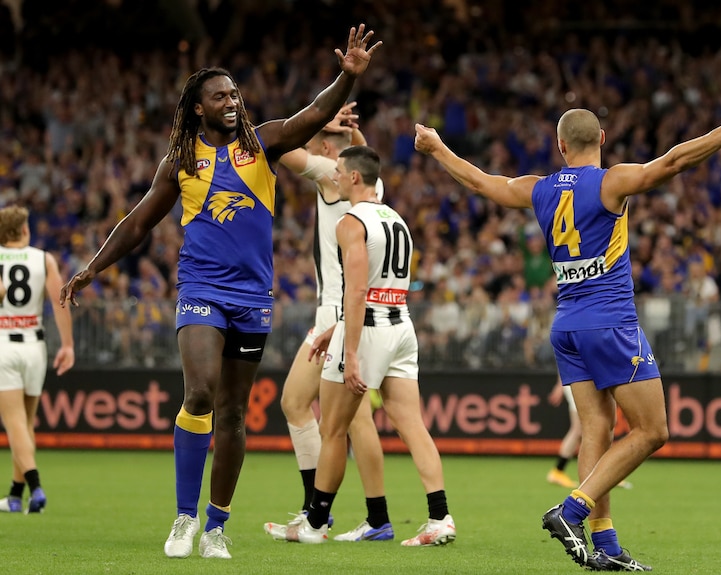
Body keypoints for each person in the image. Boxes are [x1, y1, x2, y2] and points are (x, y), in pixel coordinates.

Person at [58, 24, 382, 560]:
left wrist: (346, 77)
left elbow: (315, 116)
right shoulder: (180, 162)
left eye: (234, 93)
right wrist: (93, 268)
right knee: (200, 393)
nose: (231, 101)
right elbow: (138, 223)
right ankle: (184, 518)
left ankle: (215, 525)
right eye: (220, 96)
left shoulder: (264, 142)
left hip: (253, 297)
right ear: (198, 109)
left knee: (232, 413)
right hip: (201, 288)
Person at [415, 95, 721, 569]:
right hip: (610, 321)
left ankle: (608, 547)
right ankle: (571, 511)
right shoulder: (612, 182)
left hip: (567, 324)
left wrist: (436, 149)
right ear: (601, 138)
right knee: (653, 429)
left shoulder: (540, 189)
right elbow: (675, 161)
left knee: (596, 429)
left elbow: (481, 181)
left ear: (560, 146)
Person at [283, 145, 456, 547]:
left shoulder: (350, 221)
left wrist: (352, 351)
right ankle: (439, 516)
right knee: (412, 426)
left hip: (369, 328)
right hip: (402, 325)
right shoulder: (397, 219)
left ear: (355, 177)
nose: (336, 176)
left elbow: (359, 290)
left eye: (340, 171)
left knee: (333, 428)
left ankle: (315, 523)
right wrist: (338, 328)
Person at [263, 103, 392, 542]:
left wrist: (322, 124)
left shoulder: (327, 174)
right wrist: (352, 134)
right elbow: (366, 159)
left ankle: (329, 515)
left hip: (338, 315)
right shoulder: (373, 189)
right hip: (345, 312)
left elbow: (278, 147)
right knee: (309, 407)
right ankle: (354, 515)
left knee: (336, 417)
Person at [0, 206, 75, 514]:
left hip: (4, 342)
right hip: (35, 345)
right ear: (25, 230)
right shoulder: (43, 259)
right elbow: (60, 302)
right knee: (26, 422)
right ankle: (16, 496)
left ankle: (35, 486)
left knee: (14, 421)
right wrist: (68, 344)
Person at [546, 374, 633, 491]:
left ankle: (605, 473)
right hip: (578, 382)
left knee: (591, 428)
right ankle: (558, 471)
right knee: (579, 430)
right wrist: (559, 383)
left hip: (581, 381)